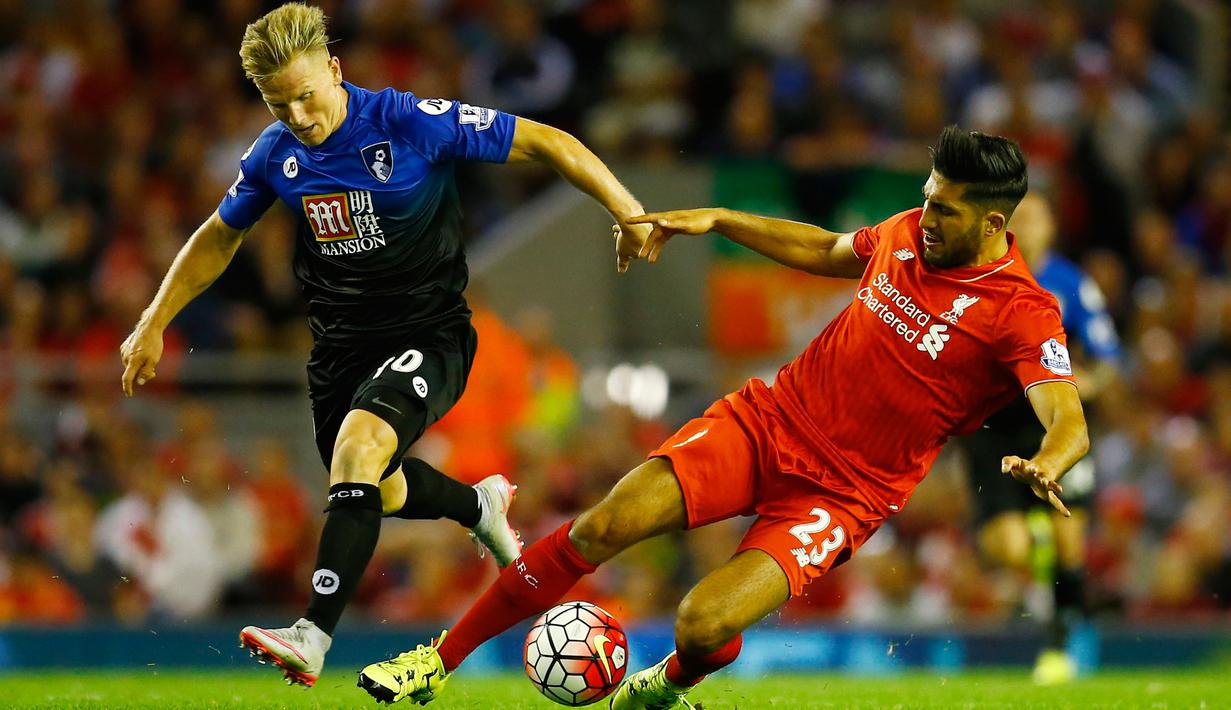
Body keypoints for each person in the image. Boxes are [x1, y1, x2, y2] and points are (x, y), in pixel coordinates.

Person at [355, 125, 1091, 708]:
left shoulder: (1021, 312)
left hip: (844, 494)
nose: (925, 216)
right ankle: (434, 662)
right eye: (927, 197)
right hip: (769, 421)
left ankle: (665, 687)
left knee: (701, 624)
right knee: (601, 525)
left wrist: (1048, 461)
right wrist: (717, 219)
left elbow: (1066, 417)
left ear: (992, 221)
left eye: (944, 209)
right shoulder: (906, 232)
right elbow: (828, 248)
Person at [117, 2, 650, 688]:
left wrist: (626, 209)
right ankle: (477, 507)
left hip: (429, 333)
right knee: (375, 485)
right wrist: (154, 320)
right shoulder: (275, 157)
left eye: (308, 96)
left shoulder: (409, 121)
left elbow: (549, 141)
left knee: (358, 450)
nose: (301, 118)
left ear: (335, 71)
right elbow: (220, 235)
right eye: (282, 106)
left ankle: (312, 634)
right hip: (340, 351)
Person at [961, 192, 1120, 685]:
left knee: (1071, 542)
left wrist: (1085, 386)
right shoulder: (976, 275)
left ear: (1052, 227)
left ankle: (1059, 645)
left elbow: (1107, 355)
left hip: (1049, 421)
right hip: (991, 426)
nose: (1025, 225)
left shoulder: (1070, 284)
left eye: (1035, 216)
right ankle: (1036, 542)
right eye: (1017, 217)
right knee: (1007, 547)